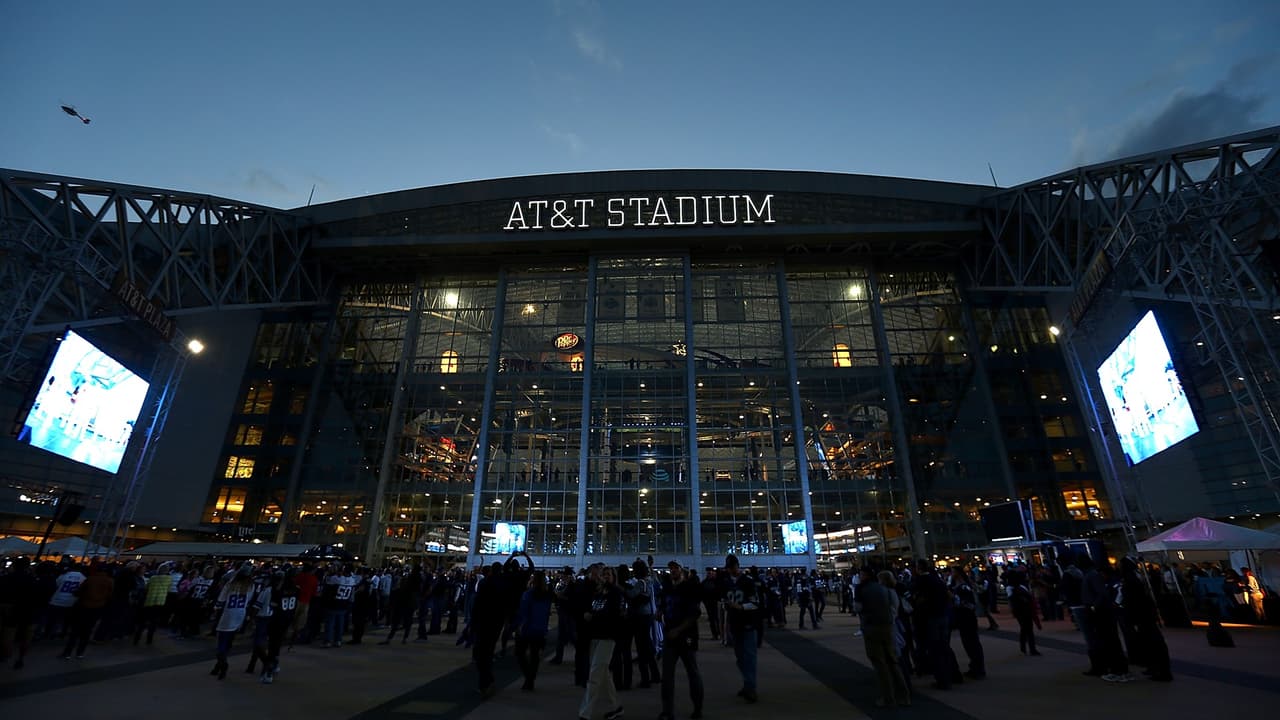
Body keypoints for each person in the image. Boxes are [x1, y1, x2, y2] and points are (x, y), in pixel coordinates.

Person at [578, 564, 625, 720]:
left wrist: (593, 616)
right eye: (603, 574)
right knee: (604, 675)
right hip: (595, 636)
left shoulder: (616, 593)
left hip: (608, 637)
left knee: (594, 675)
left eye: (608, 574)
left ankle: (585, 713)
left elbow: (612, 614)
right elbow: (590, 605)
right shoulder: (598, 592)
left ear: (614, 577)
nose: (605, 576)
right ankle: (616, 706)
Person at [659, 561, 704, 720]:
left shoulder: (690, 588)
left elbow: (694, 613)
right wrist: (660, 615)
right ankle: (667, 711)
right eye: (670, 568)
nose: (672, 571)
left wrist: (678, 630)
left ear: (682, 571)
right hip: (670, 636)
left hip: (686, 637)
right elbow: (664, 607)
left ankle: (697, 708)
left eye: (676, 568)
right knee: (667, 675)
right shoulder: (667, 589)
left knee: (692, 672)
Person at [861, 569, 911, 708]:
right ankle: (903, 695)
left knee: (882, 663)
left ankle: (889, 696)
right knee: (893, 661)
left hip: (881, 629)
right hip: (889, 628)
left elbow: (862, 609)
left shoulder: (880, 593)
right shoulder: (892, 592)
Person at [722, 554, 762, 703]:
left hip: (748, 623)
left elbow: (755, 603)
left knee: (749, 657)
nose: (732, 570)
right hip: (735, 623)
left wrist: (740, 607)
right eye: (729, 568)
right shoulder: (726, 582)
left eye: (733, 567)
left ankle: (750, 687)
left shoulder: (747, 581)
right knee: (740, 657)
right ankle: (747, 684)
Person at [210, 565, 255, 680]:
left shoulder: (231, 584)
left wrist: (215, 609)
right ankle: (218, 666)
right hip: (240, 614)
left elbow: (221, 600)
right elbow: (249, 600)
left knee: (221, 642)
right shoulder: (250, 585)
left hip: (228, 614)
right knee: (229, 641)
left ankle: (222, 664)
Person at [61, 561, 113, 660]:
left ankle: (67, 652)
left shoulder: (90, 579)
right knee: (87, 631)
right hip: (98, 607)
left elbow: (80, 591)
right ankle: (80, 652)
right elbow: (110, 595)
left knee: (75, 631)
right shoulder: (109, 581)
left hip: (84, 606)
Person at [514, 570, 554, 691]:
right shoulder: (547, 595)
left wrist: (520, 626)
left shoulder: (528, 594)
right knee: (534, 655)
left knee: (520, 653)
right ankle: (530, 678)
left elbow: (524, 612)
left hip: (527, 628)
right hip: (540, 629)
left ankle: (529, 677)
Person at [1008, 570, 1040, 656]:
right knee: (1028, 630)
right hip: (1023, 611)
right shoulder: (1017, 589)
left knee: (1025, 629)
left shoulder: (1018, 588)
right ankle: (1031, 649)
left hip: (1022, 611)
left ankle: (1024, 646)